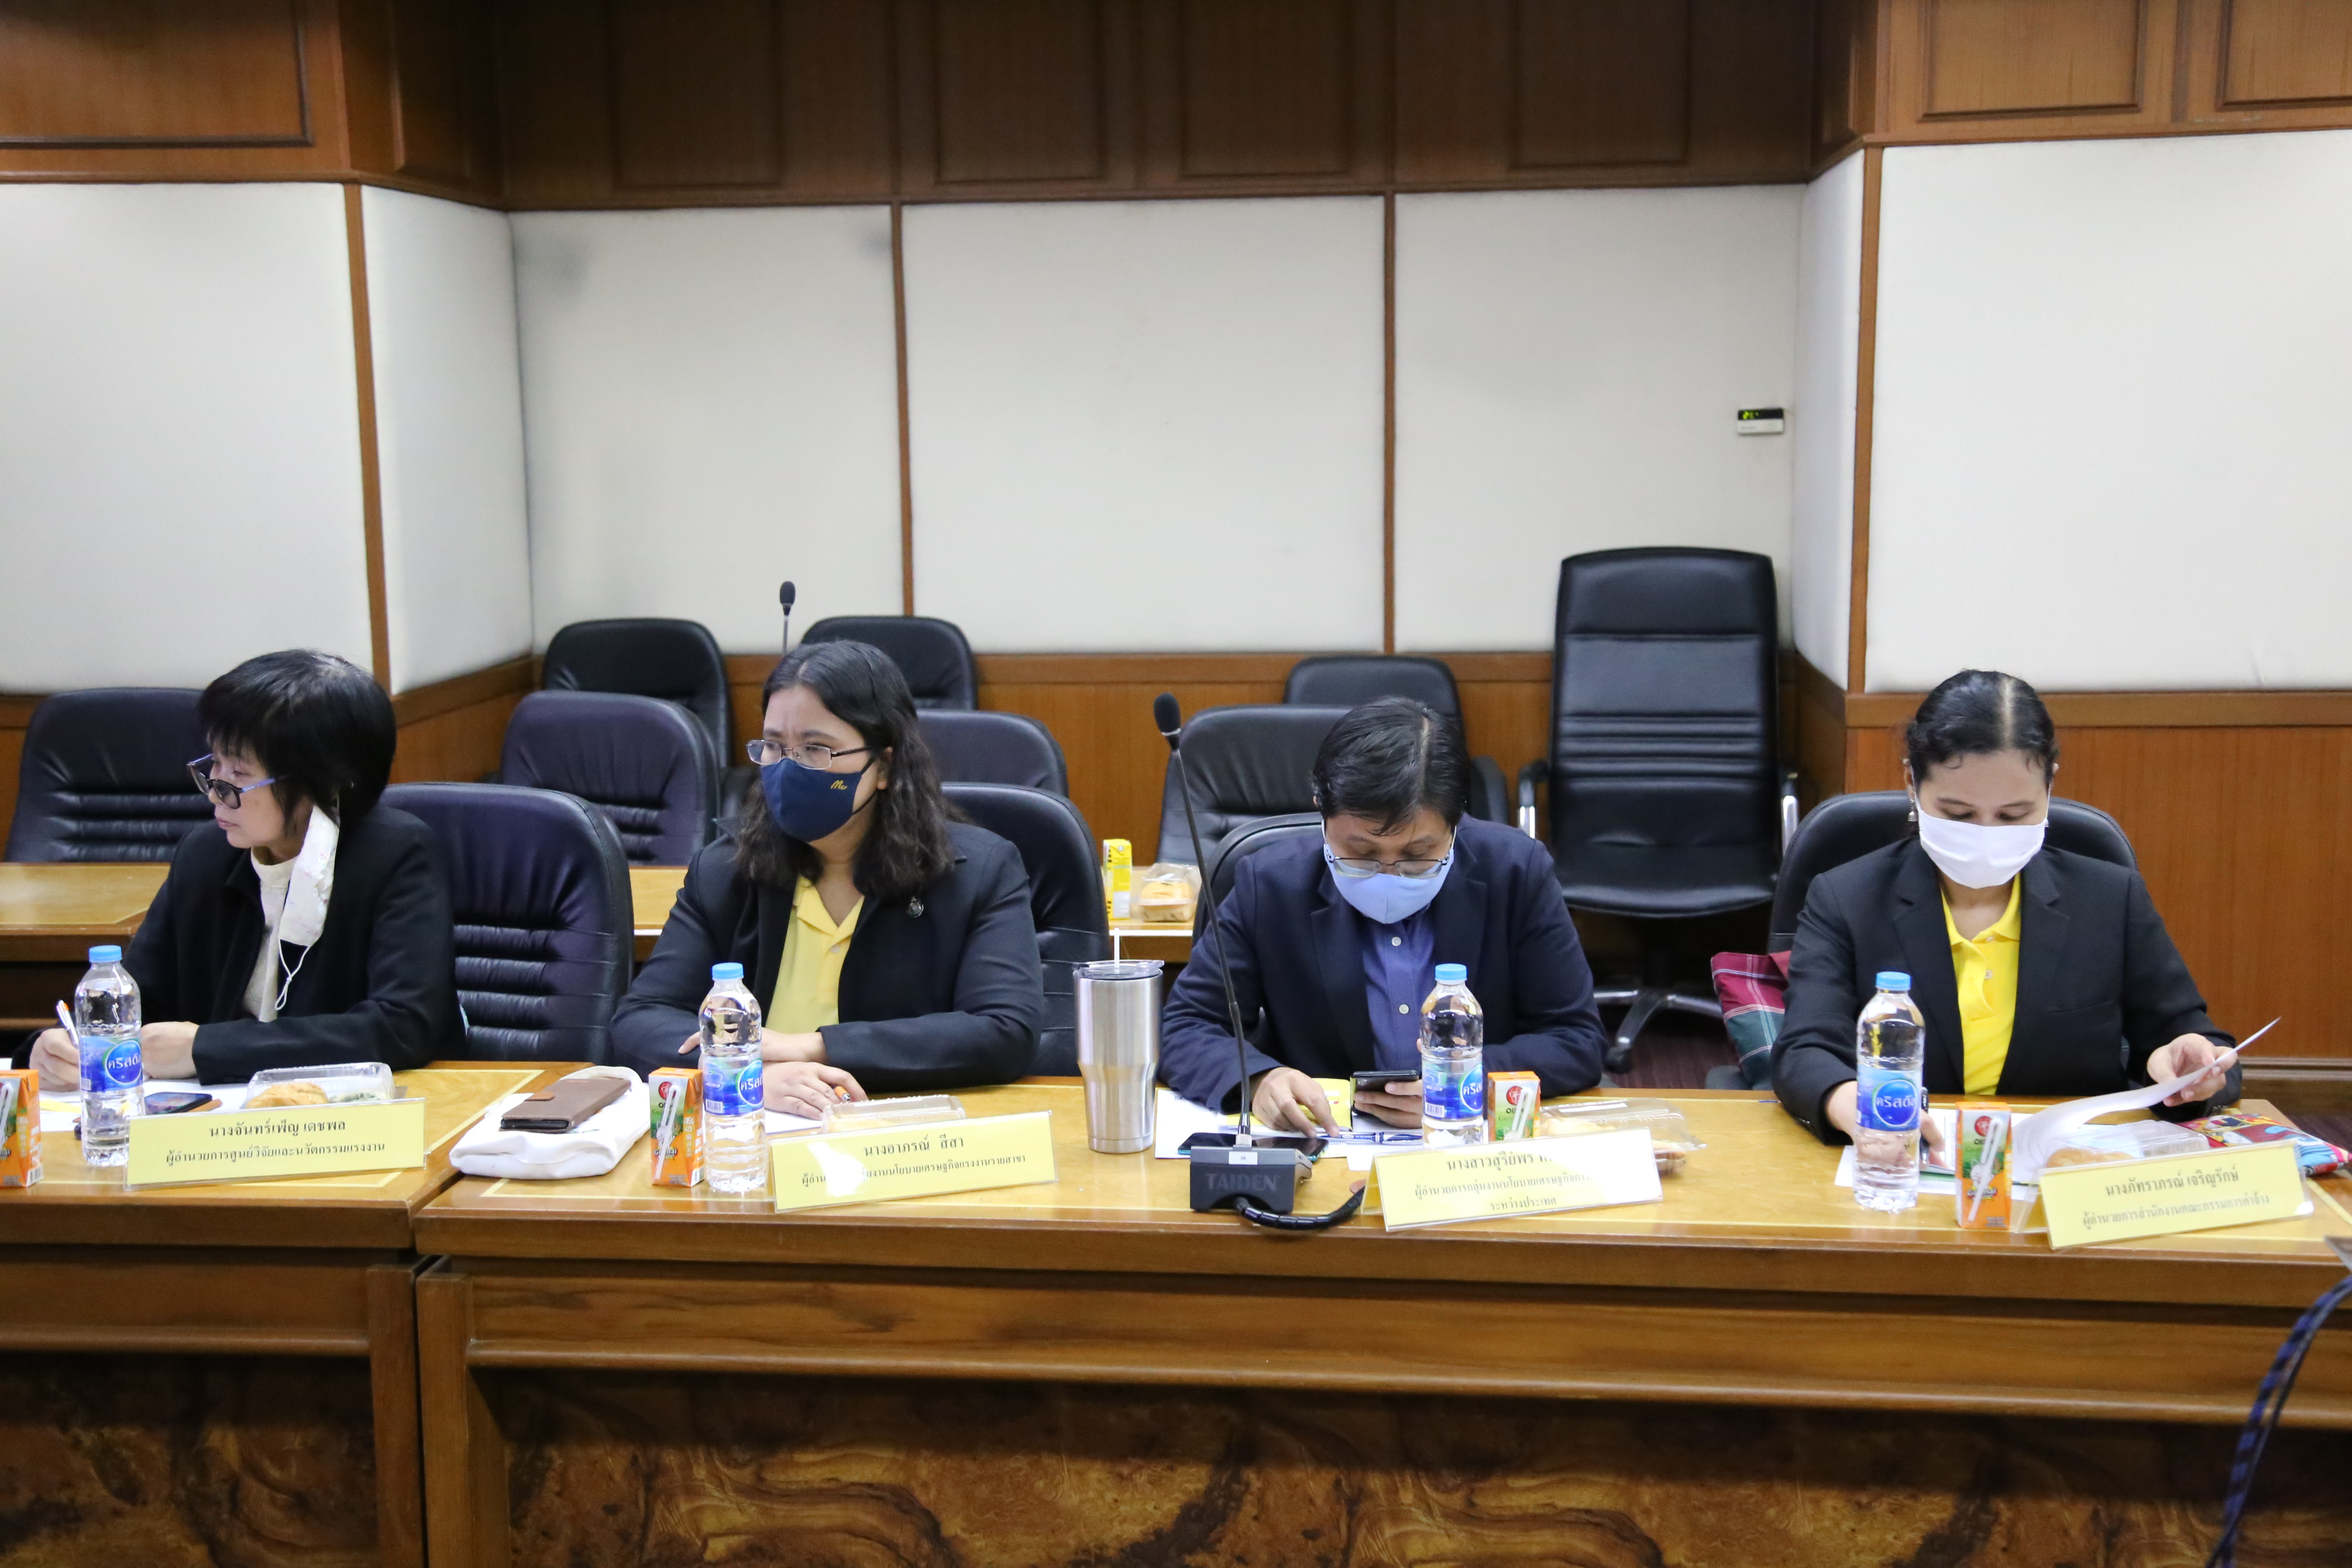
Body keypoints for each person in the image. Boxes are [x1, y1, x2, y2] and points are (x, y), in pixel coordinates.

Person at [1773, 669, 2238, 1145]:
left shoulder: (2110, 898)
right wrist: (1854, 1106)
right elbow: (1806, 1051)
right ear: (1912, 781)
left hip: (2065, 1169)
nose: (1986, 834)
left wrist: (2191, 1068)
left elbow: (2192, 1041)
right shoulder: (1846, 897)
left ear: (2050, 786)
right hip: (1901, 1156)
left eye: (2014, 815)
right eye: (1959, 814)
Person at [612, 640, 1043, 1115]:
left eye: (815, 750)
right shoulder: (726, 870)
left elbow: (1006, 1031)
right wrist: (743, 1076)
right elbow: (640, 1020)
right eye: (773, 746)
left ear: (885, 765)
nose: (788, 768)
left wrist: (813, 1047)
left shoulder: (977, 872)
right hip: (755, 1131)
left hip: (900, 1132)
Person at [1160, 697, 1608, 1133]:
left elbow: (1576, 1038)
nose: (1389, 874)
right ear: (1322, 814)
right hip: (1326, 1144)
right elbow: (1185, 1026)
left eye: (1418, 856)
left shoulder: (1515, 871)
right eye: (1361, 854)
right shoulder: (1271, 884)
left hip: (1468, 1139)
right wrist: (1258, 1080)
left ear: (1455, 824)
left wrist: (1463, 1083)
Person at [28, 650, 460, 1088]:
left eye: (238, 774)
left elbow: (402, 1026)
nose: (215, 793)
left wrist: (206, 1049)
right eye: (214, 764)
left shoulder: (396, 854)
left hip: (364, 1106)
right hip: (225, 1107)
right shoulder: (205, 855)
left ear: (324, 781)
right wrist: (58, 1048)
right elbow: (141, 1003)